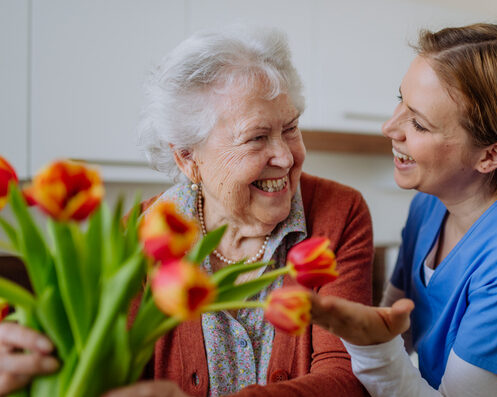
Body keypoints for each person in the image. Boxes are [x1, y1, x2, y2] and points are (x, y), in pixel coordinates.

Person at [0, 27, 373, 397]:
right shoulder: (141, 235)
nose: (286, 156)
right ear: (188, 158)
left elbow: (346, 377)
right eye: (257, 137)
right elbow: (103, 373)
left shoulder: (339, 214)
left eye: (290, 128)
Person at [310, 23, 497, 397]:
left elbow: (386, 351)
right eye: (400, 99)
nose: (389, 126)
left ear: (489, 156)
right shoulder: (429, 205)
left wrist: (373, 347)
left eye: (418, 122)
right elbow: (395, 330)